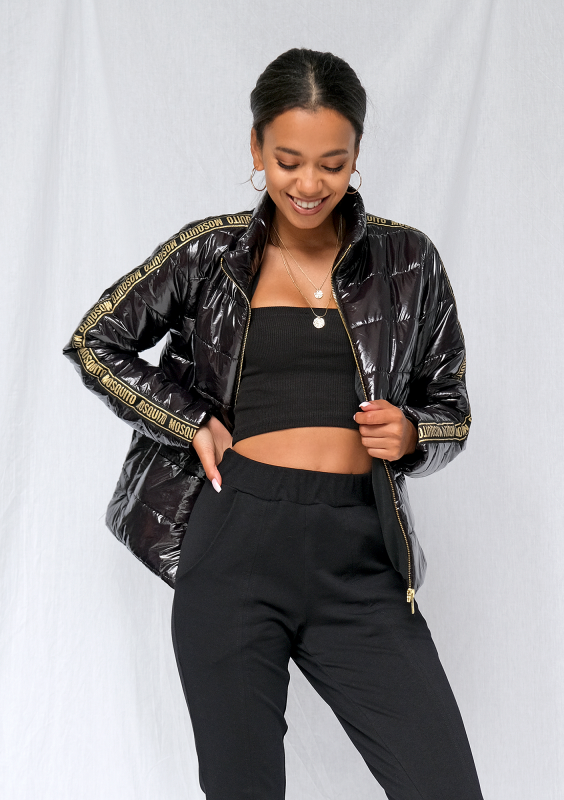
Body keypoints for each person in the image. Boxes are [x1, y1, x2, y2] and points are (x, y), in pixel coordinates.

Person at [63, 48, 482, 800]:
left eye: (332, 163)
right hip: (235, 547)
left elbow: (451, 406)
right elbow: (97, 340)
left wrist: (415, 434)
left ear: (356, 153)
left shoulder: (409, 260)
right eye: (288, 161)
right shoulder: (210, 253)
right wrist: (189, 419)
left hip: (359, 560)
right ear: (256, 148)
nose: (309, 184)